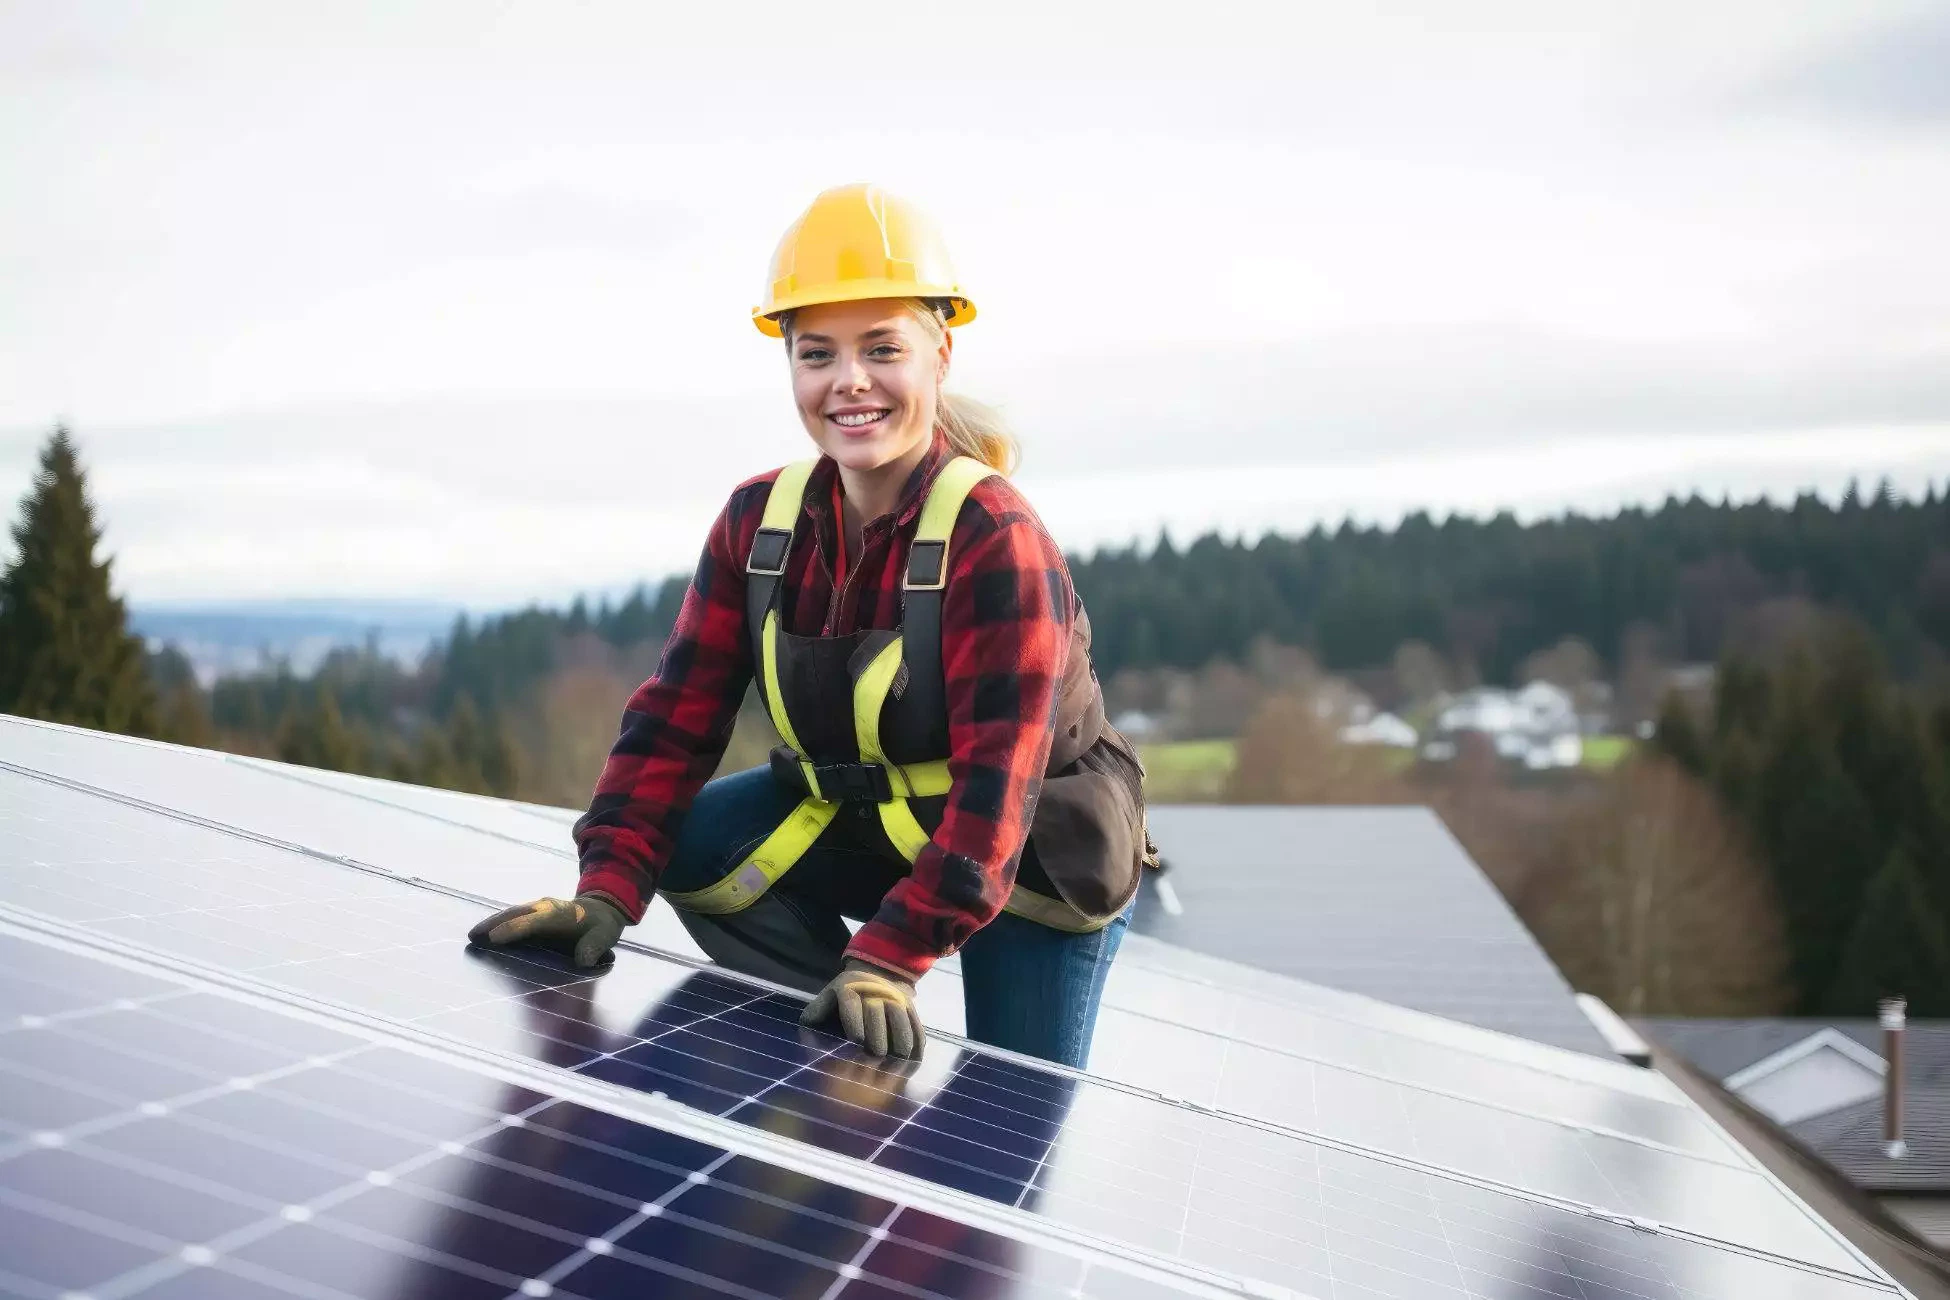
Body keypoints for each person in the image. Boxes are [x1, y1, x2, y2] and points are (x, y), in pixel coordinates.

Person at [470, 183, 1152, 1068]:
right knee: (697, 842)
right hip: (872, 820)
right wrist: (605, 888)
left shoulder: (996, 538)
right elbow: (674, 719)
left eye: (883, 348)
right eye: (817, 353)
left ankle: (881, 1005)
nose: (849, 381)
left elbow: (1000, 790)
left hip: (1032, 854)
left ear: (940, 355)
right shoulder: (759, 523)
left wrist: (891, 955)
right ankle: (835, 1066)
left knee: (1006, 1123)